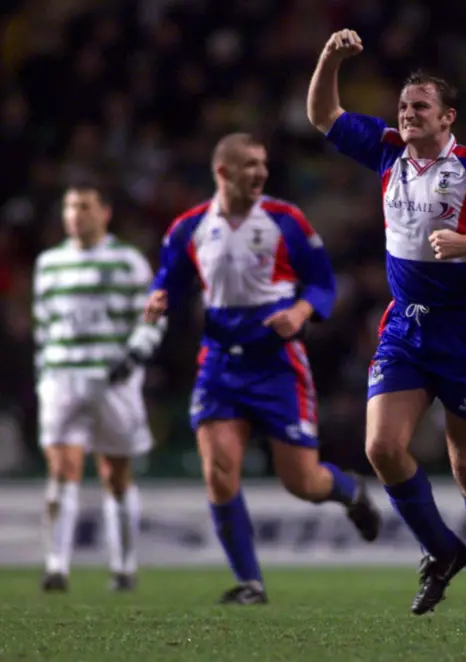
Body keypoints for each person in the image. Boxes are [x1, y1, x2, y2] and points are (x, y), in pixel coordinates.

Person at [307, 30, 466, 622]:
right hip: (406, 325)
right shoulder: (388, 151)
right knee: (381, 447)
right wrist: (330, 59)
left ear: (447, 117)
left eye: (419, 106)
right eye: (402, 106)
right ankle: (442, 551)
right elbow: (322, 115)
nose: (407, 114)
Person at [144, 132, 381, 605]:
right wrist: (157, 298)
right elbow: (168, 278)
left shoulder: (285, 220)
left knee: (302, 482)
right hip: (219, 364)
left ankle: (350, 492)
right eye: (249, 164)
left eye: (263, 164)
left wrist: (299, 313)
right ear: (222, 172)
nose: (260, 173)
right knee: (219, 470)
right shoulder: (190, 227)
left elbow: (322, 284)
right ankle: (250, 583)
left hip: (277, 365)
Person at [33, 182, 165, 592]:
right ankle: (57, 566)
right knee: (61, 471)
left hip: (113, 380)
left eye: (85, 206)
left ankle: (124, 567)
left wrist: (135, 355)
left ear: (104, 212)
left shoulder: (127, 262)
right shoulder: (49, 264)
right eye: (70, 206)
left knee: (116, 474)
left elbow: (152, 316)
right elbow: (43, 324)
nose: (75, 214)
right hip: (61, 377)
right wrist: (44, 372)